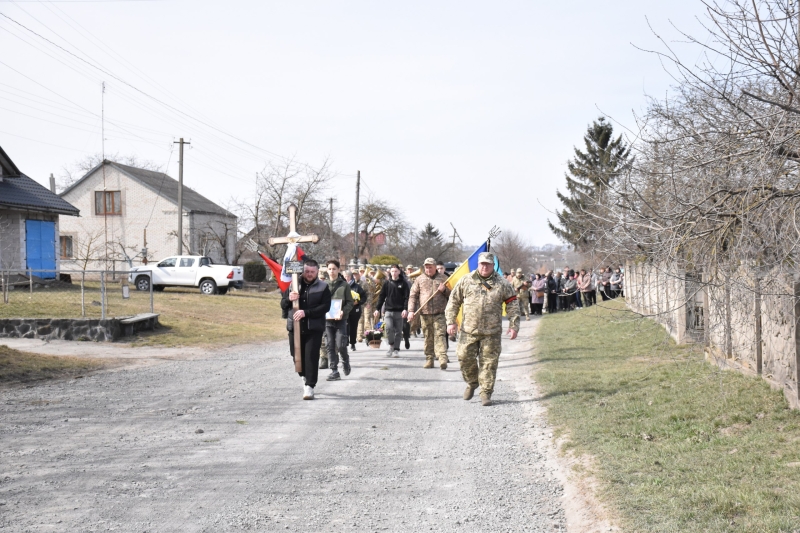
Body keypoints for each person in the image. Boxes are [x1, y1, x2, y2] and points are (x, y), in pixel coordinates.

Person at [445, 252, 520, 407]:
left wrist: (514, 325)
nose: (484, 267)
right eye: (482, 264)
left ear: (493, 265)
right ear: (477, 264)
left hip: (491, 332)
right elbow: (453, 302)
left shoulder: (502, 283)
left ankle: (486, 392)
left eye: (488, 264)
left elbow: (512, 304)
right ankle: (472, 382)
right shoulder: (466, 280)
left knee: (489, 363)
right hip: (468, 330)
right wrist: (451, 322)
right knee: (464, 357)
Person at [280, 259, 332, 400]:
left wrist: (306, 312)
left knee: (311, 357)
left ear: (317, 272)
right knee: (296, 356)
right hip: (294, 327)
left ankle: (310, 386)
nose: (309, 274)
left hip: (313, 328)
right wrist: (289, 298)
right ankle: (304, 377)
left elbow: (325, 307)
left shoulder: (323, 287)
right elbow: (283, 305)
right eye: (307, 271)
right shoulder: (294, 285)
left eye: (312, 272)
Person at [407, 257, 451, 369]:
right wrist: (411, 311)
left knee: (440, 335)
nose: (428, 269)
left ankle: (442, 358)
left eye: (430, 267)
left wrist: (444, 290)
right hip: (425, 314)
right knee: (428, 337)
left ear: (435, 267)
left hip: (440, 313)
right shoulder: (419, 279)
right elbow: (413, 296)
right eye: (426, 267)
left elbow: (452, 295)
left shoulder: (444, 278)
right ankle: (429, 359)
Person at [324, 260, 354, 381]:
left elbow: (350, 303)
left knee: (341, 344)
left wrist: (343, 311)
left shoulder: (344, 285)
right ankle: (334, 370)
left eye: (334, 269)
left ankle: (345, 361)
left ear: (338, 270)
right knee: (330, 345)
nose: (332, 271)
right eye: (330, 269)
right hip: (327, 320)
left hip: (341, 319)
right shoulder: (323, 285)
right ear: (327, 270)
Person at [374, 264, 409, 357]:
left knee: (398, 331)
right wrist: (377, 309)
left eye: (396, 271)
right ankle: (391, 345)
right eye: (392, 271)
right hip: (388, 311)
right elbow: (382, 297)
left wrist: (405, 309)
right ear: (390, 272)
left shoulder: (404, 283)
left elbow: (406, 297)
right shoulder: (387, 283)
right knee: (388, 329)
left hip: (399, 311)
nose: (394, 273)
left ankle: (396, 349)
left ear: (399, 272)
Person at [344, 270, 366, 351]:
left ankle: (353, 343)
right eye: (345, 277)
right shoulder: (342, 286)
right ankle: (345, 342)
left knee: (353, 327)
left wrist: (358, 302)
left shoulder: (357, 287)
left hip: (355, 310)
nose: (346, 278)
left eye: (348, 277)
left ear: (351, 277)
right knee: (345, 326)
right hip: (345, 310)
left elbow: (364, 296)